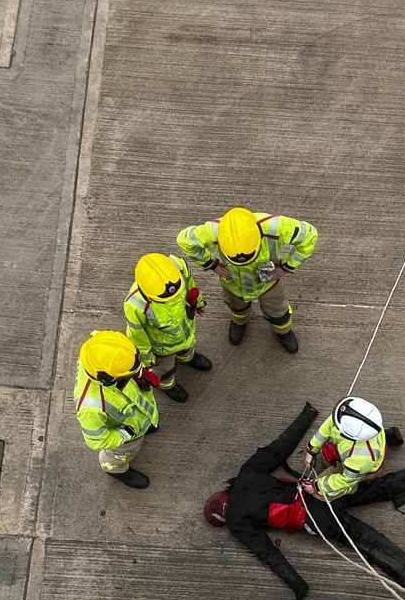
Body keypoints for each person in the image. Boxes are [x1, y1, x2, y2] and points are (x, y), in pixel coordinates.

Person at [203, 403, 405, 600]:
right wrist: (307, 415)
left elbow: (269, 554)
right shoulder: (246, 474)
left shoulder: (237, 523)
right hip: (315, 488)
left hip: (313, 517)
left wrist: (298, 584)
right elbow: (279, 448)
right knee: (364, 489)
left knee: (358, 535)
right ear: (224, 492)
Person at [177, 207, 317, 354]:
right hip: (234, 283)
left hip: (268, 282)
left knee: (279, 311)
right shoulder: (214, 231)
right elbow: (184, 240)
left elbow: (309, 236)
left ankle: (283, 330)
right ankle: (239, 321)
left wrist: (286, 266)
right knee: (237, 308)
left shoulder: (274, 226)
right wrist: (211, 264)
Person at [74, 330, 159, 489]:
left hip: (137, 416)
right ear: (108, 379)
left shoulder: (101, 346)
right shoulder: (90, 407)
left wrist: (141, 373)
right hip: (126, 436)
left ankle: (146, 425)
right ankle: (115, 469)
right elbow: (97, 440)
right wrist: (126, 434)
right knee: (122, 455)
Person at [123, 252, 212, 404]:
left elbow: (191, 284)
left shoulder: (179, 267)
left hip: (186, 331)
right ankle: (167, 385)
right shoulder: (135, 305)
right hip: (163, 349)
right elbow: (137, 335)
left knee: (188, 348)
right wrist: (148, 360)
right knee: (165, 370)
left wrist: (198, 301)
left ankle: (188, 358)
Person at [303, 396, 397, 503]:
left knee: (319, 494)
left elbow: (347, 479)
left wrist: (317, 487)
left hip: (355, 471)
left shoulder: (362, 458)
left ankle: (350, 489)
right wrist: (312, 449)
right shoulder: (347, 415)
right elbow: (329, 424)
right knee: (327, 461)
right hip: (348, 456)